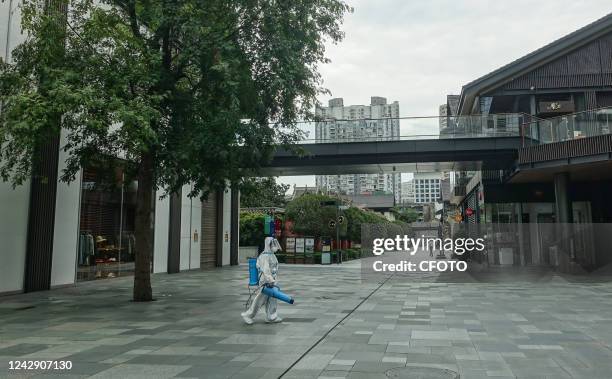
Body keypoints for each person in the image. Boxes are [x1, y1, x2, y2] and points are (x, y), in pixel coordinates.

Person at [241, 237, 283, 324]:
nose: (275, 247)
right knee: (260, 299)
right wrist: (270, 280)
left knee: (272, 298)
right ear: (268, 245)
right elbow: (266, 269)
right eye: (273, 245)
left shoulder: (271, 254)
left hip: (272, 280)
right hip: (266, 281)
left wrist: (273, 280)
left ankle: (272, 316)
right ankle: (248, 315)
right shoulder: (265, 256)